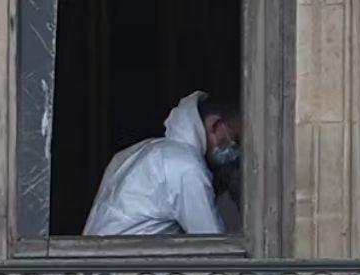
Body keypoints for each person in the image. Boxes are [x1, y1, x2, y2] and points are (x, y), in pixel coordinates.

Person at [83, 91, 242, 236]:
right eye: (234, 140)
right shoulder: (186, 166)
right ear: (215, 125)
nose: (234, 150)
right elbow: (212, 245)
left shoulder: (135, 153)